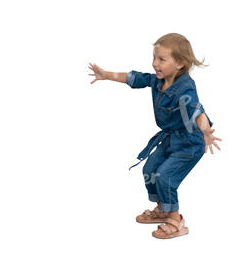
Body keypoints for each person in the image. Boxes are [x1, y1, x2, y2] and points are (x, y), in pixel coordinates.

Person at [88, 33, 221, 239]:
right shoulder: (158, 81)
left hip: (189, 143)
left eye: (161, 59)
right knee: (150, 169)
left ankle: (176, 220)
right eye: (154, 57)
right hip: (169, 139)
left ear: (180, 63)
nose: (155, 64)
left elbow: (196, 110)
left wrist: (205, 130)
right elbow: (134, 78)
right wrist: (106, 75)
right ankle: (163, 208)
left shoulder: (185, 87)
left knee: (165, 176)